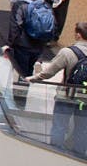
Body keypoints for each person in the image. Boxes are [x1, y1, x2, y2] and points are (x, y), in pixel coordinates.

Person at [26, 21, 87, 157]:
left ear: (78, 35)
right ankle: (79, 157)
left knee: (60, 126)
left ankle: (56, 155)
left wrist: (33, 78)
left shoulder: (68, 52)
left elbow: (49, 72)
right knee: (83, 129)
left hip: (66, 96)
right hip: (85, 99)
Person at [6, 0, 50, 78]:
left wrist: (9, 44)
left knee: (21, 73)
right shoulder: (44, 4)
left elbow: (15, 26)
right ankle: (25, 89)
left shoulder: (20, 5)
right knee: (29, 73)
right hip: (39, 45)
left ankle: (19, 91)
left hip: (23, 45)